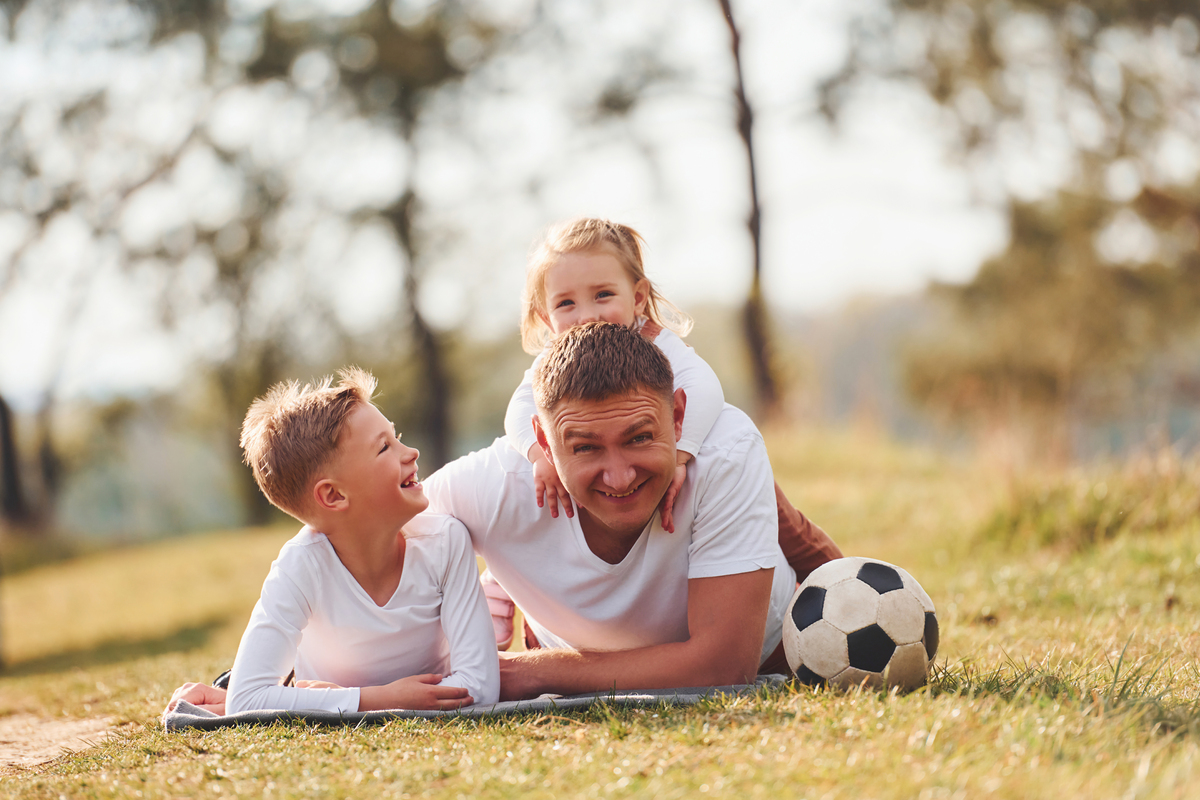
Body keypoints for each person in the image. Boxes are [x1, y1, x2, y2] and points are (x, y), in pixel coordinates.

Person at [482, 217, 840, 648]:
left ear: (637, 298)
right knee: (540, 503)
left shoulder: (657, 342)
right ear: (545, 316)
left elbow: (705, 389)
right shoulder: (553, 362)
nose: (587, 315)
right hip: (599, 471)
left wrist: (682, 455)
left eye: (603, 295)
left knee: (782, 521)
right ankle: (505, 592)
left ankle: (847, 587)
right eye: (566, 304)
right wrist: (539, 456)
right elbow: (519, 412)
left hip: (703, 456)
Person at [425, 322, 827, 699]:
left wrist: (532, 672)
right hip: (568, 644)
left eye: (639, 438)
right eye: (585, 447)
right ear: (543, 443)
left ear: (679, 417)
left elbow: (724, 666)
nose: (619, 478)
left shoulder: (726, 450)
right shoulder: (493, 483)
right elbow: (388, 521)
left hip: (770, 651)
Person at [172, 367, 499, 717]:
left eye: (397, 437)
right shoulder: (300, 566)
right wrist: (383, 699)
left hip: (326, 698)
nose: (411, 452)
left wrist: (335, 698)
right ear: (334, 495)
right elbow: (246, 699)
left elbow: (480, 688)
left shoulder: (445, 542)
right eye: (384, 447)